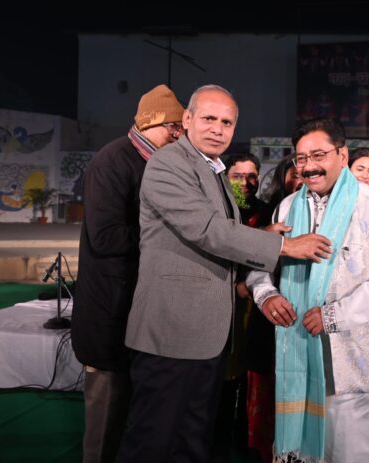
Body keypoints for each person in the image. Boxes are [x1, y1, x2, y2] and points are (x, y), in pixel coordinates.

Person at [116, 84, 333, 463]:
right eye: (209, 118)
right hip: (171, 333)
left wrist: (263, 236)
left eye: (227, 122)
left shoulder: (211, 168)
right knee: (152, 441)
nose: (218, 129)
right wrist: (284, 246)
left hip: (205, 335)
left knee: (190, 439)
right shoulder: (168, 164)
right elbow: (206, 230)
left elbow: (221, 231)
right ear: (187, 120)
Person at [247, 118, 369, 462]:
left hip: (358, 360)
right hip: (299, 349)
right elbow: (259, 262)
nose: (308, 166)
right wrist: (265, 295)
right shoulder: (288, 207)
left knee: (354, 452)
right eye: (301, 158)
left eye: (318, 155)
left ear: (342, 155)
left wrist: (335, 315)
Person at [71, 84, 184, 463]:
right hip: (109, 313)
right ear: (151, 122)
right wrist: (168, 235)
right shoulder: (114, 160)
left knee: (132, 423)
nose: (178, 134)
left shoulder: (154, 162)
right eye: (173, 127)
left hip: (137, 314)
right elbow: (105, 237)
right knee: (106, 422)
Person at [244, 153, 303, 463]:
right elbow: (252, 262)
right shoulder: (267, 214)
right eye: (293, 174)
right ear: (282, 177)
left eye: (305, 174)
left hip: (305, 319)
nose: (299, 180)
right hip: (269, 312)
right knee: (266, 389)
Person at [213, 152, 272, 460]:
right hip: (218, 303)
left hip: (255, 305)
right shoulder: (217, 209)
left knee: (247, 374)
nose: (246, 182)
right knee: (222, 376)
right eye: (238, 176)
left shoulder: (265, 211)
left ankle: (243, 436)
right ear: (226, 178)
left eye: (252, 176)